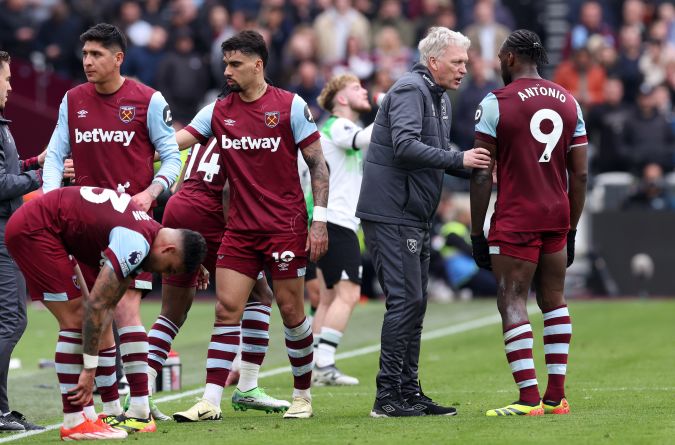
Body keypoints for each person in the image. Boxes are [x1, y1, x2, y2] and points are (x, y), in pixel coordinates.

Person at [173, 30, 329, 420]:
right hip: (240, 230)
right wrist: (128, 145)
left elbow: (317, 165)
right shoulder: (217, 111)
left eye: (235, 64)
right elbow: (176, 141)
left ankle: (303, 396)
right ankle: (210, 401)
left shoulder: (290, 106)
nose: (227, 71)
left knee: (292, 312)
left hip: (284, 227)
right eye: (225, 63)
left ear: (258, 65)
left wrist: (319, 221)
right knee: (226, 310)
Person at [41, 23, 182, 431]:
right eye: (85, 54)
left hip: (130, 224)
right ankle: (111, 406)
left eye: (97, 54)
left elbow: (172, 157)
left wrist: (152, 191)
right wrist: (52, 197)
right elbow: (55, 154)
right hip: (82, 224)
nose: (87, 61)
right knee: (93, 314)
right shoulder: (73, 100)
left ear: (118, 58)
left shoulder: (147, 100)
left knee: (123, 307)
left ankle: (140, 405)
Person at [356, 27, 491, 418]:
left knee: (415, 304)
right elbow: (406, 145)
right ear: (434, 62)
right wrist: (460, 160)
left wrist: (475, 170)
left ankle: (409, 391)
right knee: (405, 302)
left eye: (466, 62)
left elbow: (434, 155)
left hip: (414, 214)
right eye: (458, 62)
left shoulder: (440, 98)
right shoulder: (410, 90)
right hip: (391, 213)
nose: (465, 69)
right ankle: (387, 397)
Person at [5, 186, 206, 440]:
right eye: (169, 268)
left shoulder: (149, 230)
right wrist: (89, 371)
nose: (163, 274)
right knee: (76, 319)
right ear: (168, 250)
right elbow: (96, 306)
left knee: (98, 316)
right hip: (36, 229)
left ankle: (88, 417)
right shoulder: (136, 242)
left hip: (51, 229)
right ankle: (74, 421)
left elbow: (106, 308)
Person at [469, 29, 588, 417]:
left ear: (509, 59)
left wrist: (476, 230)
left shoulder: (495, 102)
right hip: (556, 213)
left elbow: (482, 172)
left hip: (517, 215)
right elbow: (581, 175)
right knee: (554, 299)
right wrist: (571, 227)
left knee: (512, 299)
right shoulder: (570, 101)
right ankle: (556, 396)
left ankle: (528, 399)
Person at [147, 133, 291, 421]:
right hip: (213, 212)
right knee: (259, 295)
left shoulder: (210, 126)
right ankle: (247, 386)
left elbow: (184, 174)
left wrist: (200, 253)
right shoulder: (248, 129)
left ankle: (139, 393)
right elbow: (228, 189)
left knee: (172, 312)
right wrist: (233, 236)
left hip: (179, 204)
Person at [311, 73, 374, 386]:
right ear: (342, 98)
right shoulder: (338, 125)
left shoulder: (333, 127)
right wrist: (395, 110)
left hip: (327, 218)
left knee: (328, 297)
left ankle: (312, 363)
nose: (364, 91)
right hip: (336, 220)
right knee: (349, 295)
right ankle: (324, 363)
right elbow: (363, 140)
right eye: (356, 88)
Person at [0, 50, 45, 433]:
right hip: (1, 236)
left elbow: (7, 172)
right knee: (11, 320)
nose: (11, 85)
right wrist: (41, 178)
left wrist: (32, 164)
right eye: (7, 78)